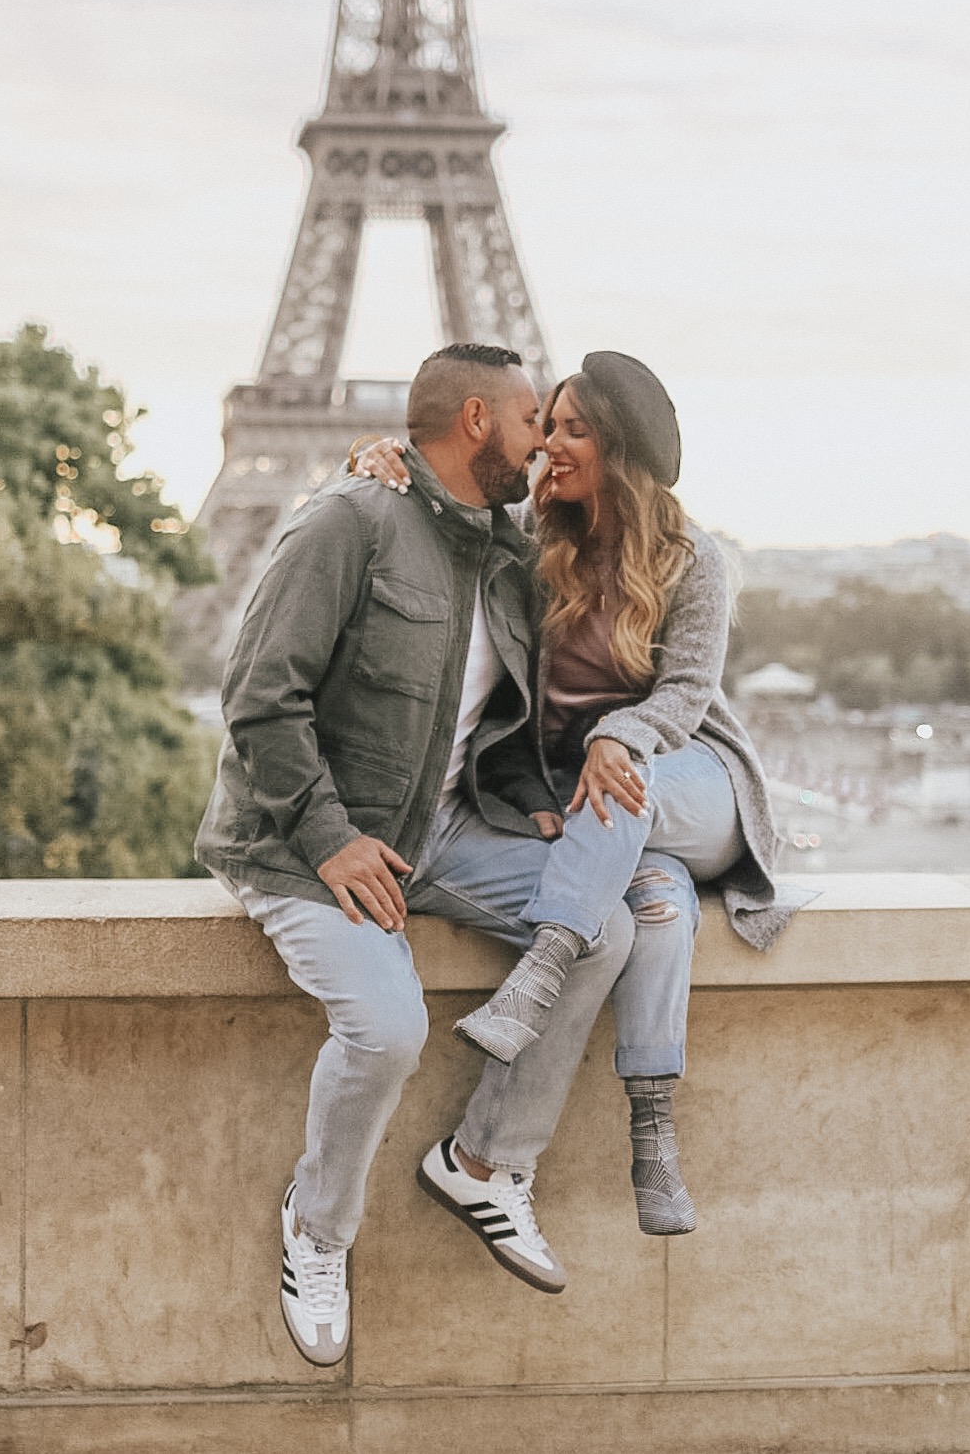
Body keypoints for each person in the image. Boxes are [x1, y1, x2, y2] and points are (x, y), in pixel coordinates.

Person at [195, 343, 638, 1369]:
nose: (541, 446)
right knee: (388, 1029)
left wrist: (528, 801)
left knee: (600, 923)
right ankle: (319, 1229)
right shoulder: (347, 521)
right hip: (307, 845)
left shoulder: (502, 551)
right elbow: (260, 699)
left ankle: (484, 1159)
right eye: (533, 421)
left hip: (434, 833)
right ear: (478, 420)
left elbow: (497, 718)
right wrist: (329, 838)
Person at [354, 350, 809, 1239]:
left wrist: (615, 735)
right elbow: (440, 513)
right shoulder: (530, 541)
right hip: (599, 808)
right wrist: (379, 462)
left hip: (695, 778)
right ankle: (652, 1131)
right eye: (546, 423)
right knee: (654, 904)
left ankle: (545, 964)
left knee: (623, 794)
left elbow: (681, 696)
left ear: (620, 449)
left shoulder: (692, 559)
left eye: (572, 429)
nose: (549, 444)